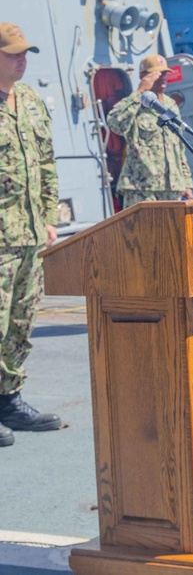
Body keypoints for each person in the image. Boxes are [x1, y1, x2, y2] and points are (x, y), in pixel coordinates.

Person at [0, 22, 63, 445]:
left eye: (26, 53)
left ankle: (9, 400)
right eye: (14, 53)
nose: (23, 59)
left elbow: (45, 163)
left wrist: (49, 216)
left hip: (29, 236)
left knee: (21, 321)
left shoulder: (30, 101)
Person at [105, 54, 193, 207]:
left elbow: (178, 148)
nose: (163, 77)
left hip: (171, 188)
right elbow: (115, 123)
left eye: (165, 73)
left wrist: (186, 182)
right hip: (142, 188)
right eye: (158, 74)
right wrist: (140, 92)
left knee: (171, 231)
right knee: (143, 231)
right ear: (143, 76)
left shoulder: (170, 105)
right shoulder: (134, 103)